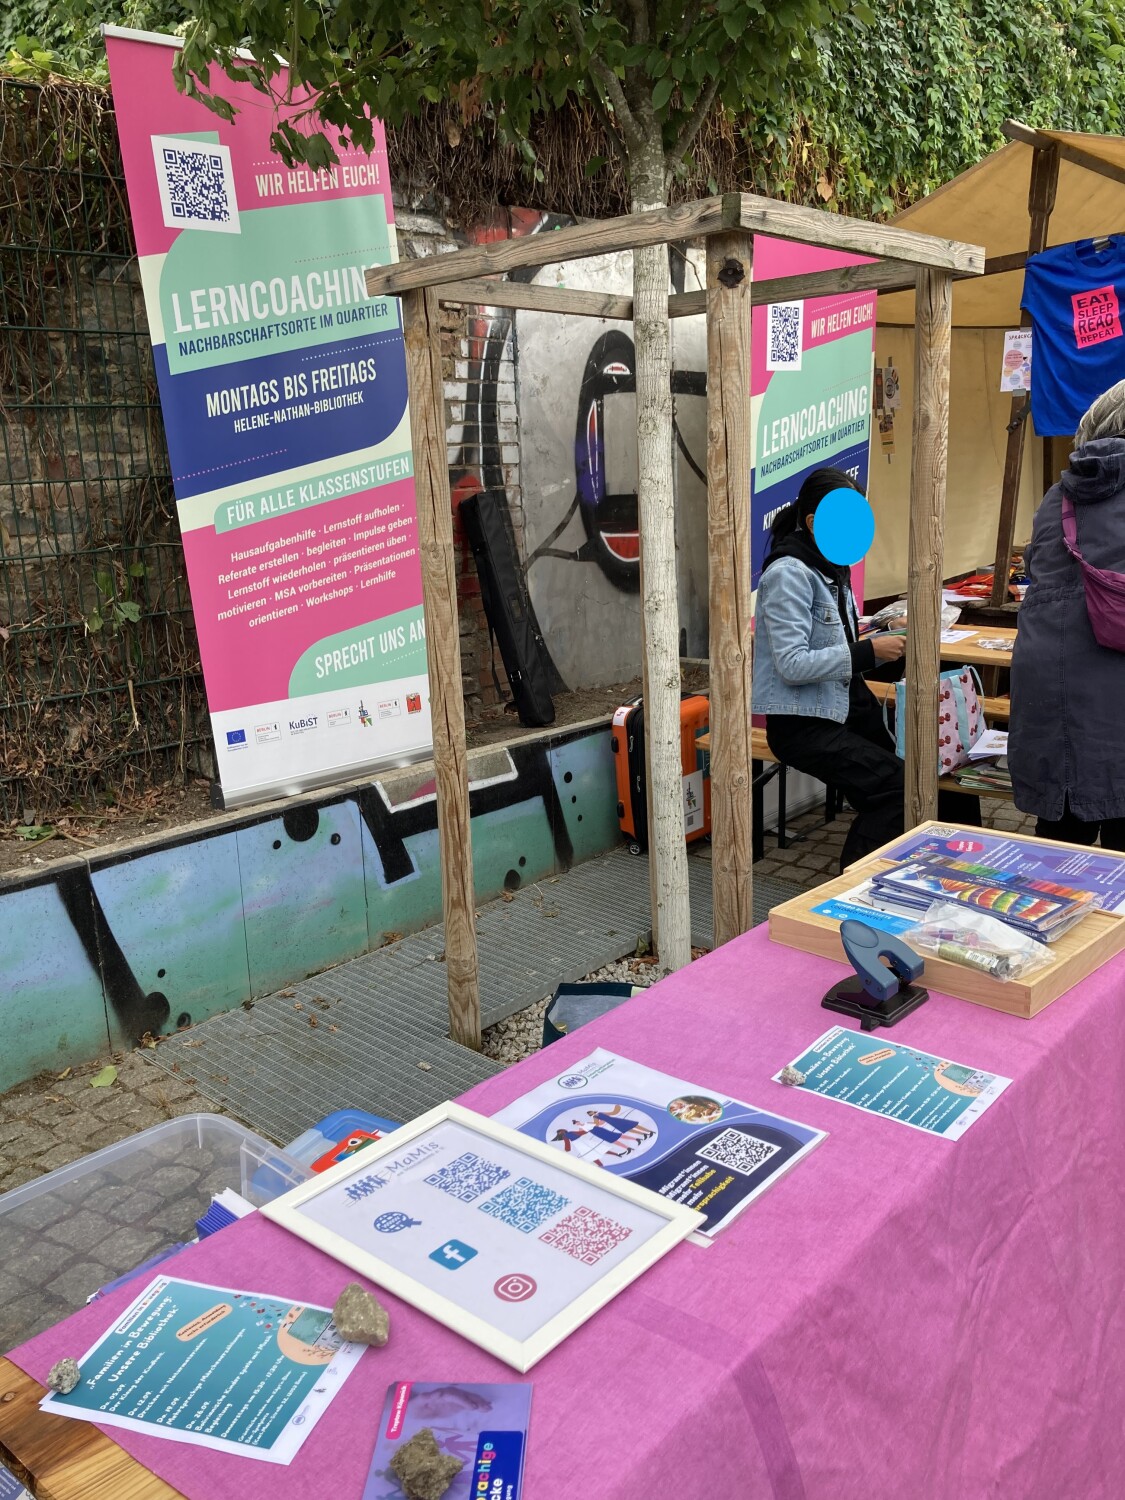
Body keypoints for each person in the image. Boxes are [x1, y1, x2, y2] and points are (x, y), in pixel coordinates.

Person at [753, 467, 979, 870]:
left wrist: (882, 626)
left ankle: (960, 866)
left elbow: (830, 633)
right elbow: (790, 664)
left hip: (848, 710)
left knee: (936, 761)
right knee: (894, 790)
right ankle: (851, 897)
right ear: (812, 522)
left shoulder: (828, 569)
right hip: (806, 724)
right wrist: (869, 651)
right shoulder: (788, 573)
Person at [1009, 379, 1125, 849]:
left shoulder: (1056, 496)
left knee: (1058, 842)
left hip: (1046, 678)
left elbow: (1038, 568)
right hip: (1111, 678)